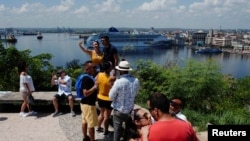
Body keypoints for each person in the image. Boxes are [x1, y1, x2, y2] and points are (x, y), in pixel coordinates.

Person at [109, 60, 140, 141]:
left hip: (118, 110)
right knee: (128, 129)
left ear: (121, 71)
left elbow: (111, 96)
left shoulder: (118, 82)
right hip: (129, 110)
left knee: (117, 131)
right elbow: (136, 93)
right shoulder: (136, 80)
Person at [80, 60, 99, 141]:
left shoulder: (86, 77)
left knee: (85, 121)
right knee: (91, 125)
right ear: (87, 69)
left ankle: (85, 137)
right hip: (89, 105)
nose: (95, 69)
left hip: (84, 104)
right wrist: (95, 87)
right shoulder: (86, 79)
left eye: (95, 67)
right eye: (93, 67)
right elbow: (85, 93)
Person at [95, 61, 113, 135]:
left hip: (100, 97)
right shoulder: (111, 78)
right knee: (107, 116)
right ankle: (106, 131)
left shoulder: (99, 74)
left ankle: (98, 128)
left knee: (101, 114)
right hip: (108, 99)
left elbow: (96, 82)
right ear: (109, 69)